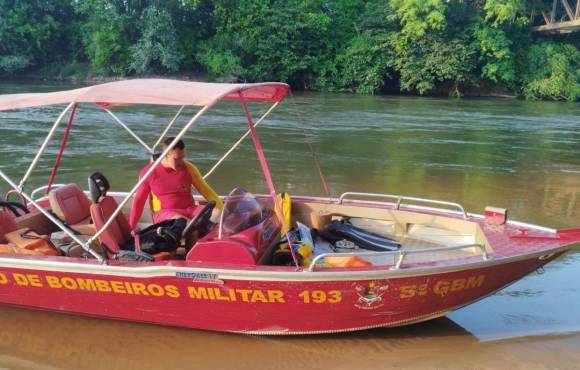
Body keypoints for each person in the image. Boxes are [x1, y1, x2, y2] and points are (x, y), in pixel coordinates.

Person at [129, 137, 223, 233]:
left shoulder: (189, 168)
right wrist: (131, 227)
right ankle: (194, 243)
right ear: (165, 155)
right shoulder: (148, 172)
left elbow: (206, 191)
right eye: (177, 159)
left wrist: (223, 208)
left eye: (183, 157)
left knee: (219, 214)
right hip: (165, 212)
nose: (181, 162)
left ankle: (212, 243)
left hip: (191, 209)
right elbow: (139, 202)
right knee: (185, 223)